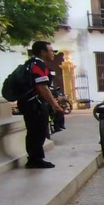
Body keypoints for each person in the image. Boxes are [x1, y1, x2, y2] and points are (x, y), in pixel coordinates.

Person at [19, 41, 64, 169]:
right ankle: (35, 159)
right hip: (35, 104)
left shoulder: (30, 63)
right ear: (43, 52)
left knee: (35, 131)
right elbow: (42, 87)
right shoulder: (38, 64)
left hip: (29, 103)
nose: (53, 53)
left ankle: (35, 158)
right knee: (37, 131)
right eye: (51, 51)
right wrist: (55, 105)